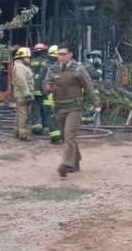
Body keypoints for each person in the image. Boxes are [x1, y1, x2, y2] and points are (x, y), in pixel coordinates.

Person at [43, 43, 101, 177]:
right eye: (59, 54)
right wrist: (48, 88)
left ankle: (66, 165)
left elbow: (89, 87)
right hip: (59, 107)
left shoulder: (78, 69)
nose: (61, 57)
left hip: (74, 107)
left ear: (70, 55)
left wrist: (96, 104)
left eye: (63, 54)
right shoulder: (53, 69)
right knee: (67, 137)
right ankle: (76, 160)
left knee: (69, 134)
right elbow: (45, 84)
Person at [12, 47, 35, 141]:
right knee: (23, 115)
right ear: (22, 57)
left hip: (21, 95)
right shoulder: (20, 67)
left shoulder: (21, 66)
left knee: (19, 114)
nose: (29, 59)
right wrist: (27, 94)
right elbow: (22, 81)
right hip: (22, 95)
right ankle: (23, 135)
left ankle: (17, 132)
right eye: (28, 57)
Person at [29, 43, 50, 136]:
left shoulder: (32, 61)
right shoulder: (47, 62)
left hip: (33, 89)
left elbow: (30, 75)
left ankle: (36, 128)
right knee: (45, 109)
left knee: (35, 109)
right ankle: (46, 127)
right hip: (43, 90)